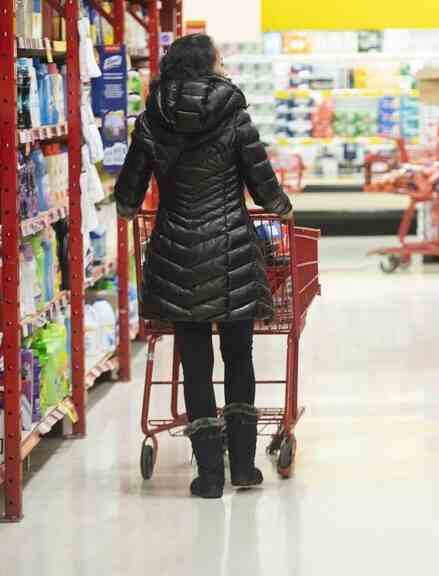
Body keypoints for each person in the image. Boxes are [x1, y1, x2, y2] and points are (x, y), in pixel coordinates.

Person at [115, 34, 293, 499]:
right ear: (210, 64)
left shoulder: (151, 119)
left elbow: (128, 195)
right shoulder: (234, 115)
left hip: (177, 252)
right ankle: (245, 468)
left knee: (193, 360)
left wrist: (131, 205)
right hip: (231, 249)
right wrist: (282, 207)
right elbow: (262, 184)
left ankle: (209, 475)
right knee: (239, 356)